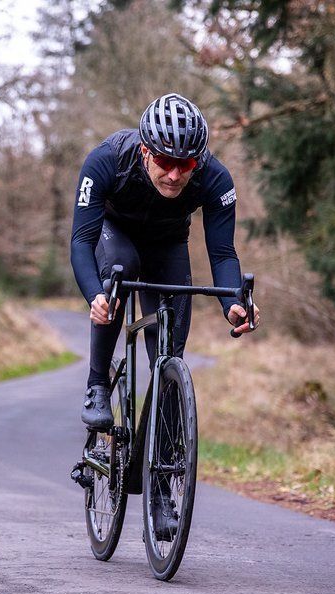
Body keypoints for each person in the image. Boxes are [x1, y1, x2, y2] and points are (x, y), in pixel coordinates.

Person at [70, 93, 260, 538]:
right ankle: (98, 383)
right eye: (164, 161)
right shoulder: (105, 162)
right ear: (144, 151)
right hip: (113, 238)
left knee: (170, 359)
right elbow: (81, 241)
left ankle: (159, 491)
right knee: (122, 271)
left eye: (186, 165)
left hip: (168, 245)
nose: (175, 174)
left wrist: (233, 302)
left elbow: (222, 252)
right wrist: (95, 295)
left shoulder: (215, 178)